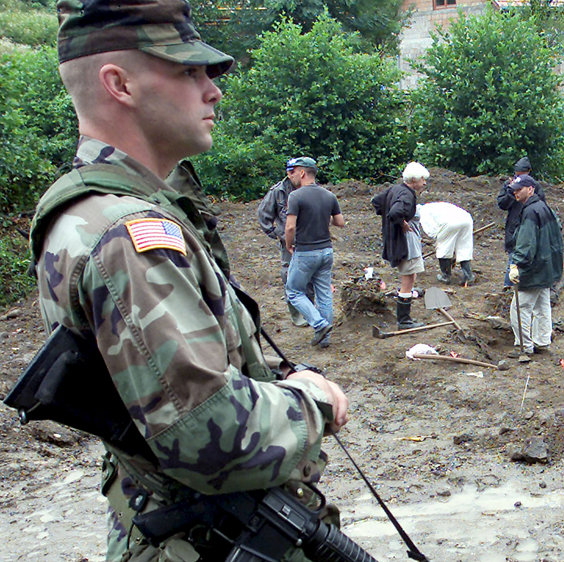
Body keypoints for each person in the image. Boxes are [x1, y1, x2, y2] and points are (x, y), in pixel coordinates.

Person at [28, 0, 349, 559]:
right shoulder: (128, 233)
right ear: (118, 83)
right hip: (199, 539)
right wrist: (311, 399)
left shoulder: (96, 211)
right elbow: (209, 437)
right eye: (187, 71)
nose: (213, 90)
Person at [284, 156, 346, 348]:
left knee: (293, 291)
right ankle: (324, 339)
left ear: (302, 173)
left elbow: (290, 228)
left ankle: (319, 325)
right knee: (324, 294)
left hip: (306, 252)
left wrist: (288, 245)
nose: (290, 176)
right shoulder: (329, 195)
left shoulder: (296, 196)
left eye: (293, 172)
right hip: (326, 251)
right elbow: (340, 222)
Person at [507, 176, 564, 357]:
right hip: (547, 266)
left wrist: (516, 265)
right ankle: (542, 340)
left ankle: (524, 346)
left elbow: (526, 243)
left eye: (519, 189)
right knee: (542, 306)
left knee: (519, 307)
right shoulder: (544, 208)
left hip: (534, 268)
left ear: (530, 189)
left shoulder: (530, 212)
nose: (515, 192)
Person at [372, 162, 428, 329]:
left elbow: (376, 202)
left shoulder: (394, 189)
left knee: (410, 277)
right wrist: (402, 223)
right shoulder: (407, 195)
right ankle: (404, 320)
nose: (425, 183)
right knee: (408, 279)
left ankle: (405, 313)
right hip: (404, 242)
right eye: (423, 179)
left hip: (394, 240)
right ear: (415, 179)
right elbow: (395, 212)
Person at [257, 160, 313, 327]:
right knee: (290, 277)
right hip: (289, 243)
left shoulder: (310, 188)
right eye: (298, 172)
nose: (303, 175)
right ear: (290, 173)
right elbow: (263, 214)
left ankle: (310, 311)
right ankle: (296, 314)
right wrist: (276, 234)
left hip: (310, 241)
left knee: (310, 277)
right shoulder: (278, 192)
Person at [497, 156, 545, 287]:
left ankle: (522, 286)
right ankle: (509, 289)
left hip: (529, 226)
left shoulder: (535, 186)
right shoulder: (509, 185)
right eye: (518, 175)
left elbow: (541, 206)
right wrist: (511, 193)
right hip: (513, 228)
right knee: (513, 260)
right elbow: (502, 204)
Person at [416, 201, 476, 285]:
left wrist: (438, 241)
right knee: (464, 247)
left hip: (451, 223)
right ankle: (468, 277)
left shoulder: (422, 212)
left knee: (444, 248)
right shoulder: (433, 206)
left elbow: (432, 230)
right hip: (466, 218)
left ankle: (446, 276)